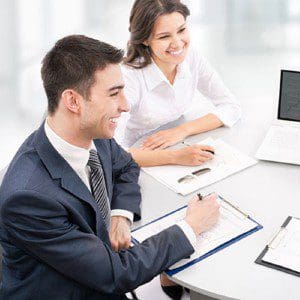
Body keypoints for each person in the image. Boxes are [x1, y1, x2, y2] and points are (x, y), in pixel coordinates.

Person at [0, 35, 220, 299]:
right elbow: (115, 274)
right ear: (73, 102)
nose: (126, 105)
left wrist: (120, 215)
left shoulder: (93, 136)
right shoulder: (28, 198)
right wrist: (190, 227)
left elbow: (126, 166)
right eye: (114, 93)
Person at [116, 0, 241, 167]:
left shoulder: (191, 58)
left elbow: (231, 107)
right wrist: (174, 157)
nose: (178, 43)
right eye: (164, 36)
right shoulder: (128, 78)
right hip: (136, 158)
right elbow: (111, 151)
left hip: (174, 144)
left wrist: (182, 131)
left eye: (181, 30)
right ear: (145, 39)